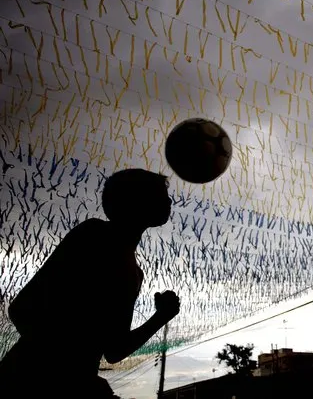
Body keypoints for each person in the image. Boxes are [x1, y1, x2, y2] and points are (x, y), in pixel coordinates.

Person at [0, 169, 180, 398]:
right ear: (136, 200)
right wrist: (71, 374)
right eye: (161, 194)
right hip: (26, 380)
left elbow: (114, 350)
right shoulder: (94, 235)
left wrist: (161, 317)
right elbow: (21, 309)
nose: (169, 200)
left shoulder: (134, 273)